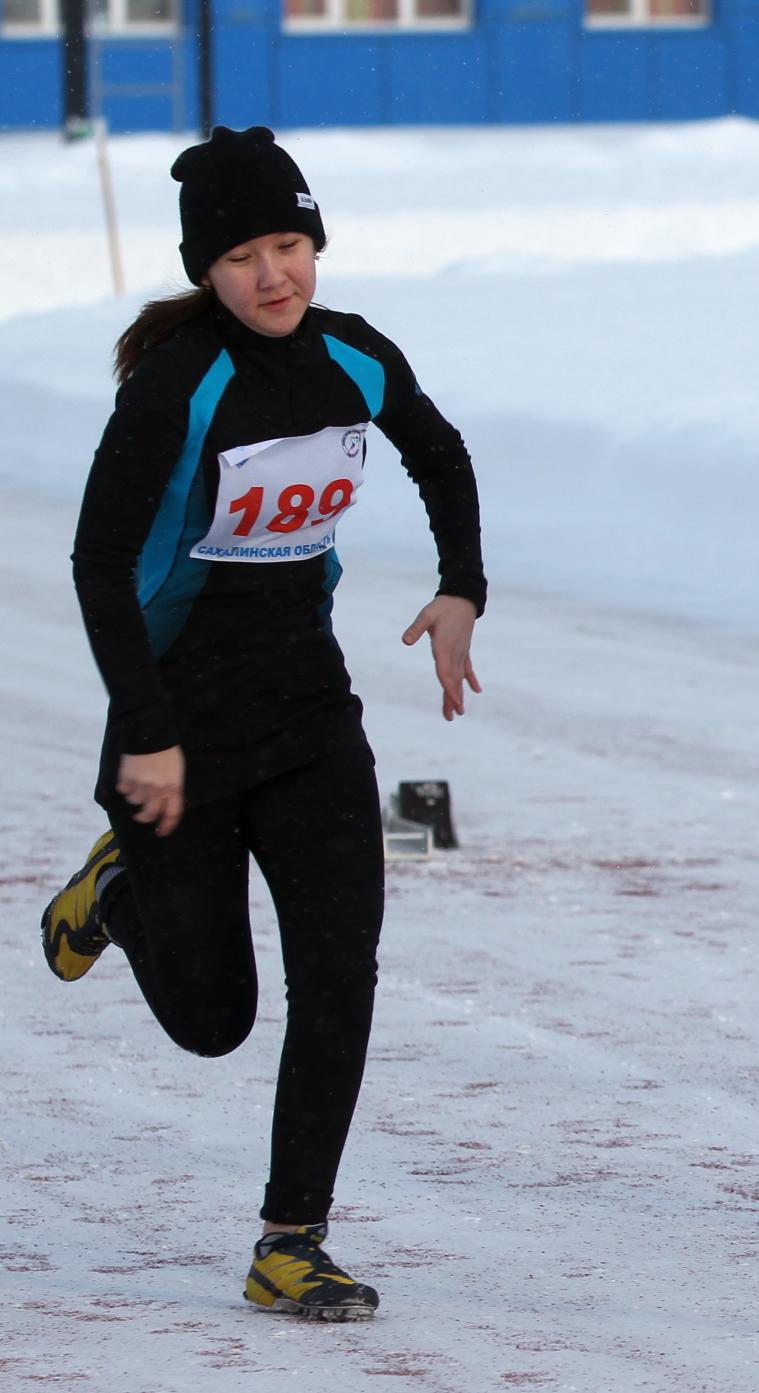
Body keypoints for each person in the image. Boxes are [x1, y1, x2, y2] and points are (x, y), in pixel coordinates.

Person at [38, 126, 487, 1320]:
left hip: (307, 714)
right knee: (214, 1021)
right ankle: (119, 890)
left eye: (289, 244)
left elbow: (440, 456)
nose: (273, 275)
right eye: (243, 255)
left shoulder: (355, 358)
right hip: (175, 721)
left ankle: (292, 1236)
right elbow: (95, 563)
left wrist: (461, 587)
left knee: (341, 968)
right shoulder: (181, 382)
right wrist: (143, 733)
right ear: (206, 269)